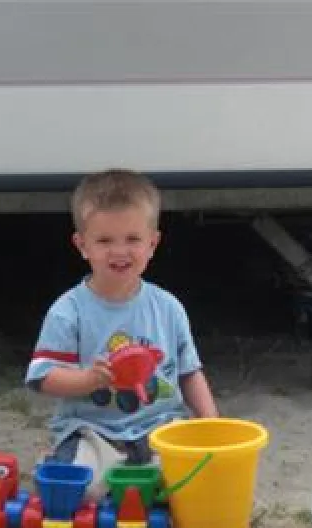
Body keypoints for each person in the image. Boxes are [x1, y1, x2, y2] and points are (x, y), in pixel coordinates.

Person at [24, 168, 219, 497]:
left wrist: (210, 422)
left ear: (153, 243)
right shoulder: (69, 310)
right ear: (82, 245)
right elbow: (42, 377)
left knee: (194, 483)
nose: (119, 251)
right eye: (104, 241)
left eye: (132, 239)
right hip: (94, 429)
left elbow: (189, 373)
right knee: (82, 491)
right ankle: (61, 460)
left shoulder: (168, 307)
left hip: (160, 426)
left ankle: (143, 472)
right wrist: (91, 380)